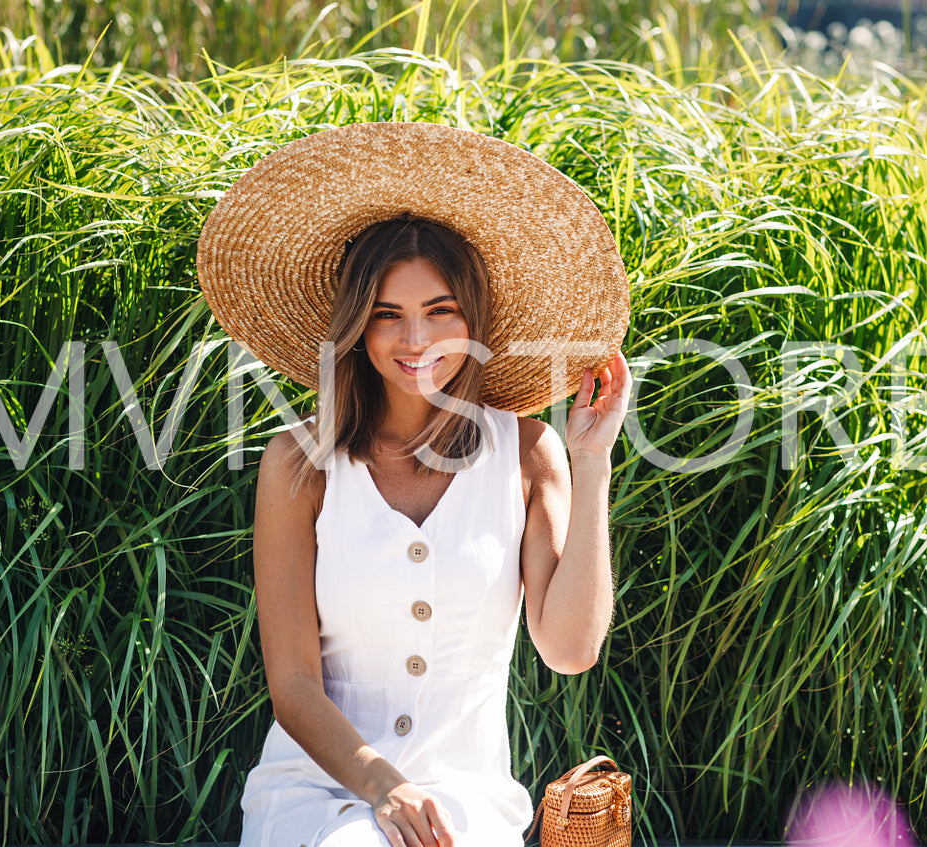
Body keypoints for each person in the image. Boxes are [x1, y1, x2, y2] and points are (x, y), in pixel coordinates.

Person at [196, 122, 633, 847]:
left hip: (466, 797)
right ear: (356, 328)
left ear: (473, 319)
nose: (416, 341)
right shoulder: (298, 463)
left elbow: (568, 648)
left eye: (440, 312)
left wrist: (592, 463)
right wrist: (383, 787)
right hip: (319, 792)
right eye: (387, 315)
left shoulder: (528, 451)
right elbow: (295, 688)